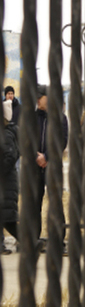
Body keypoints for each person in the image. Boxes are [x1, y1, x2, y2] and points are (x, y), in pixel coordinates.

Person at [35, 85, 69, 245]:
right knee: (34, 203)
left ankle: (58, 240)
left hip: (53, 167)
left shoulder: (60, 118)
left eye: (39, 96)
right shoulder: (32, 117)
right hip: (34, 167)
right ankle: (34, 240)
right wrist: (36, 156)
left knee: (55, 203)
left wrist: (47, 157)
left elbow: (61, 141)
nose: (37, 99)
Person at [2, 100, 19, 254]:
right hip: (5, 182)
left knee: (9, 220)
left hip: (6, 182)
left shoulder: (6, 134)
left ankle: (31, 243)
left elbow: (10, 157)